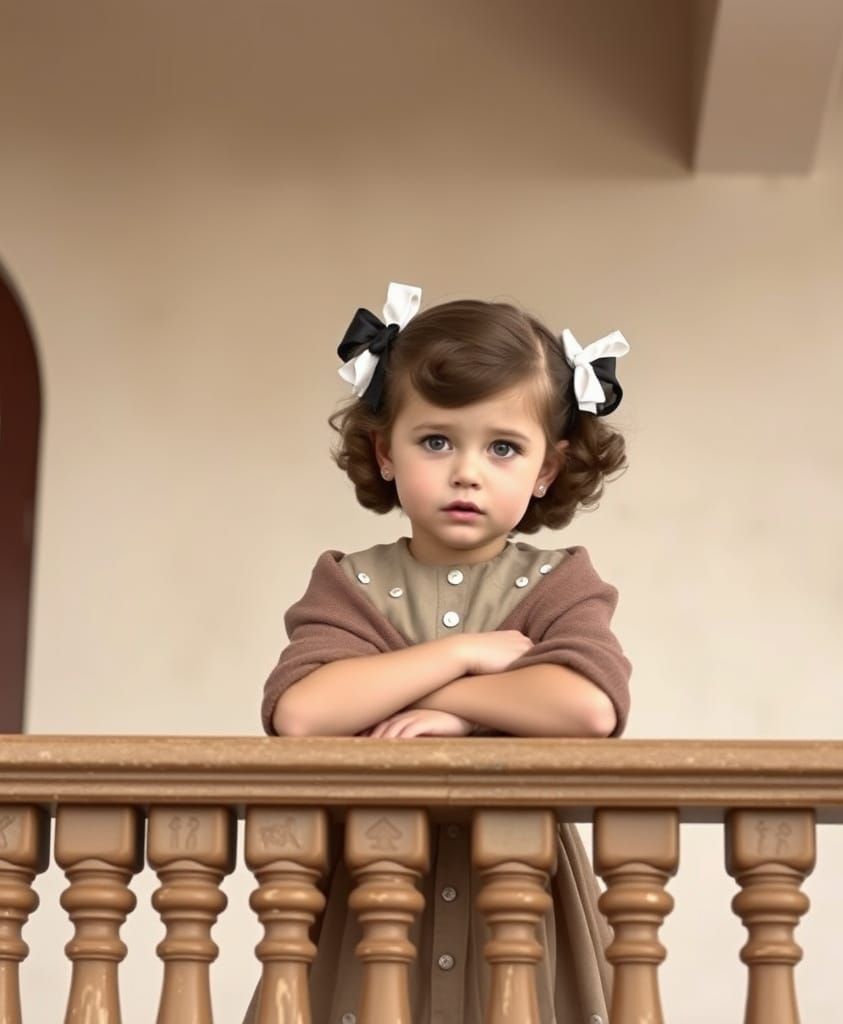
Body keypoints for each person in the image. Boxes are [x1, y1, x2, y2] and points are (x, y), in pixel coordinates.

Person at [249, 282, 631, 1024]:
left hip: (520, 902)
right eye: (435, 441)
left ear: (546, 470)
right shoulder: (349, 582)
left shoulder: (561, 582)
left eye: (503, 447)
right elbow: (302, 711)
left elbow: (586, 708)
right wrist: (470, 654)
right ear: (383, 452)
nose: (467, 471)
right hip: (371, 899)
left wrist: (439, 710)